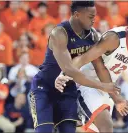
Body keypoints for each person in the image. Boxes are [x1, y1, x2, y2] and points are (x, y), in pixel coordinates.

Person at [55, 6, 128, 132]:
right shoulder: (114, 38)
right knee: (106, 127)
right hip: (86, 84)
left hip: (106, 89)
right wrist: (63, 74)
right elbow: (84, 58)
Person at [29, 1, 119, 133]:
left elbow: (100, 67)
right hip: (44, 88)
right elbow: (69, 70)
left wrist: (116, 97)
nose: (94, 20)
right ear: (77, 15)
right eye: (90, 16)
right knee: (44, 130)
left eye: (95, 16)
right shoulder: (59, 33)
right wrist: (102, 86)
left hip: (67, 90)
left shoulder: (92, 35)